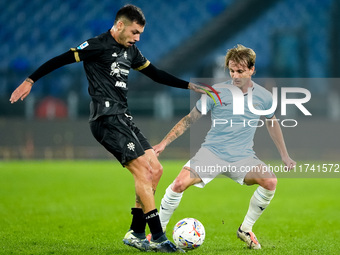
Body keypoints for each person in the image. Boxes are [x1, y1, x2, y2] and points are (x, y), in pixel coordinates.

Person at [9, 4, 208, 253]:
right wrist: (30, 80)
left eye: (140, 35)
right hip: (106, 119)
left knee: (155, 169)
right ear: (120, 25)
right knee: (144, 173)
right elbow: (61, 59)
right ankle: (157, 237)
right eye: (135, 32)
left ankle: (136, 232)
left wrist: (192, 86)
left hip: (123, 118)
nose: (137, 39)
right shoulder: (97, 45)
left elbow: (156, 74)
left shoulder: (131, 51)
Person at [153, 44, 296, 250]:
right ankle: (158, 233)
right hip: (212, 154)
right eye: (231, 70)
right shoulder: (216, 92)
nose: (235, 75)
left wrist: (285, 155)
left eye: (240, 71)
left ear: (252, 70)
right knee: (177, 185)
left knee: (270, 181)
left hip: (243, 157)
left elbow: (272, 123)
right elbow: (190, 119)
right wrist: (164, 143)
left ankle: (245, 229)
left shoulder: (264, 96)